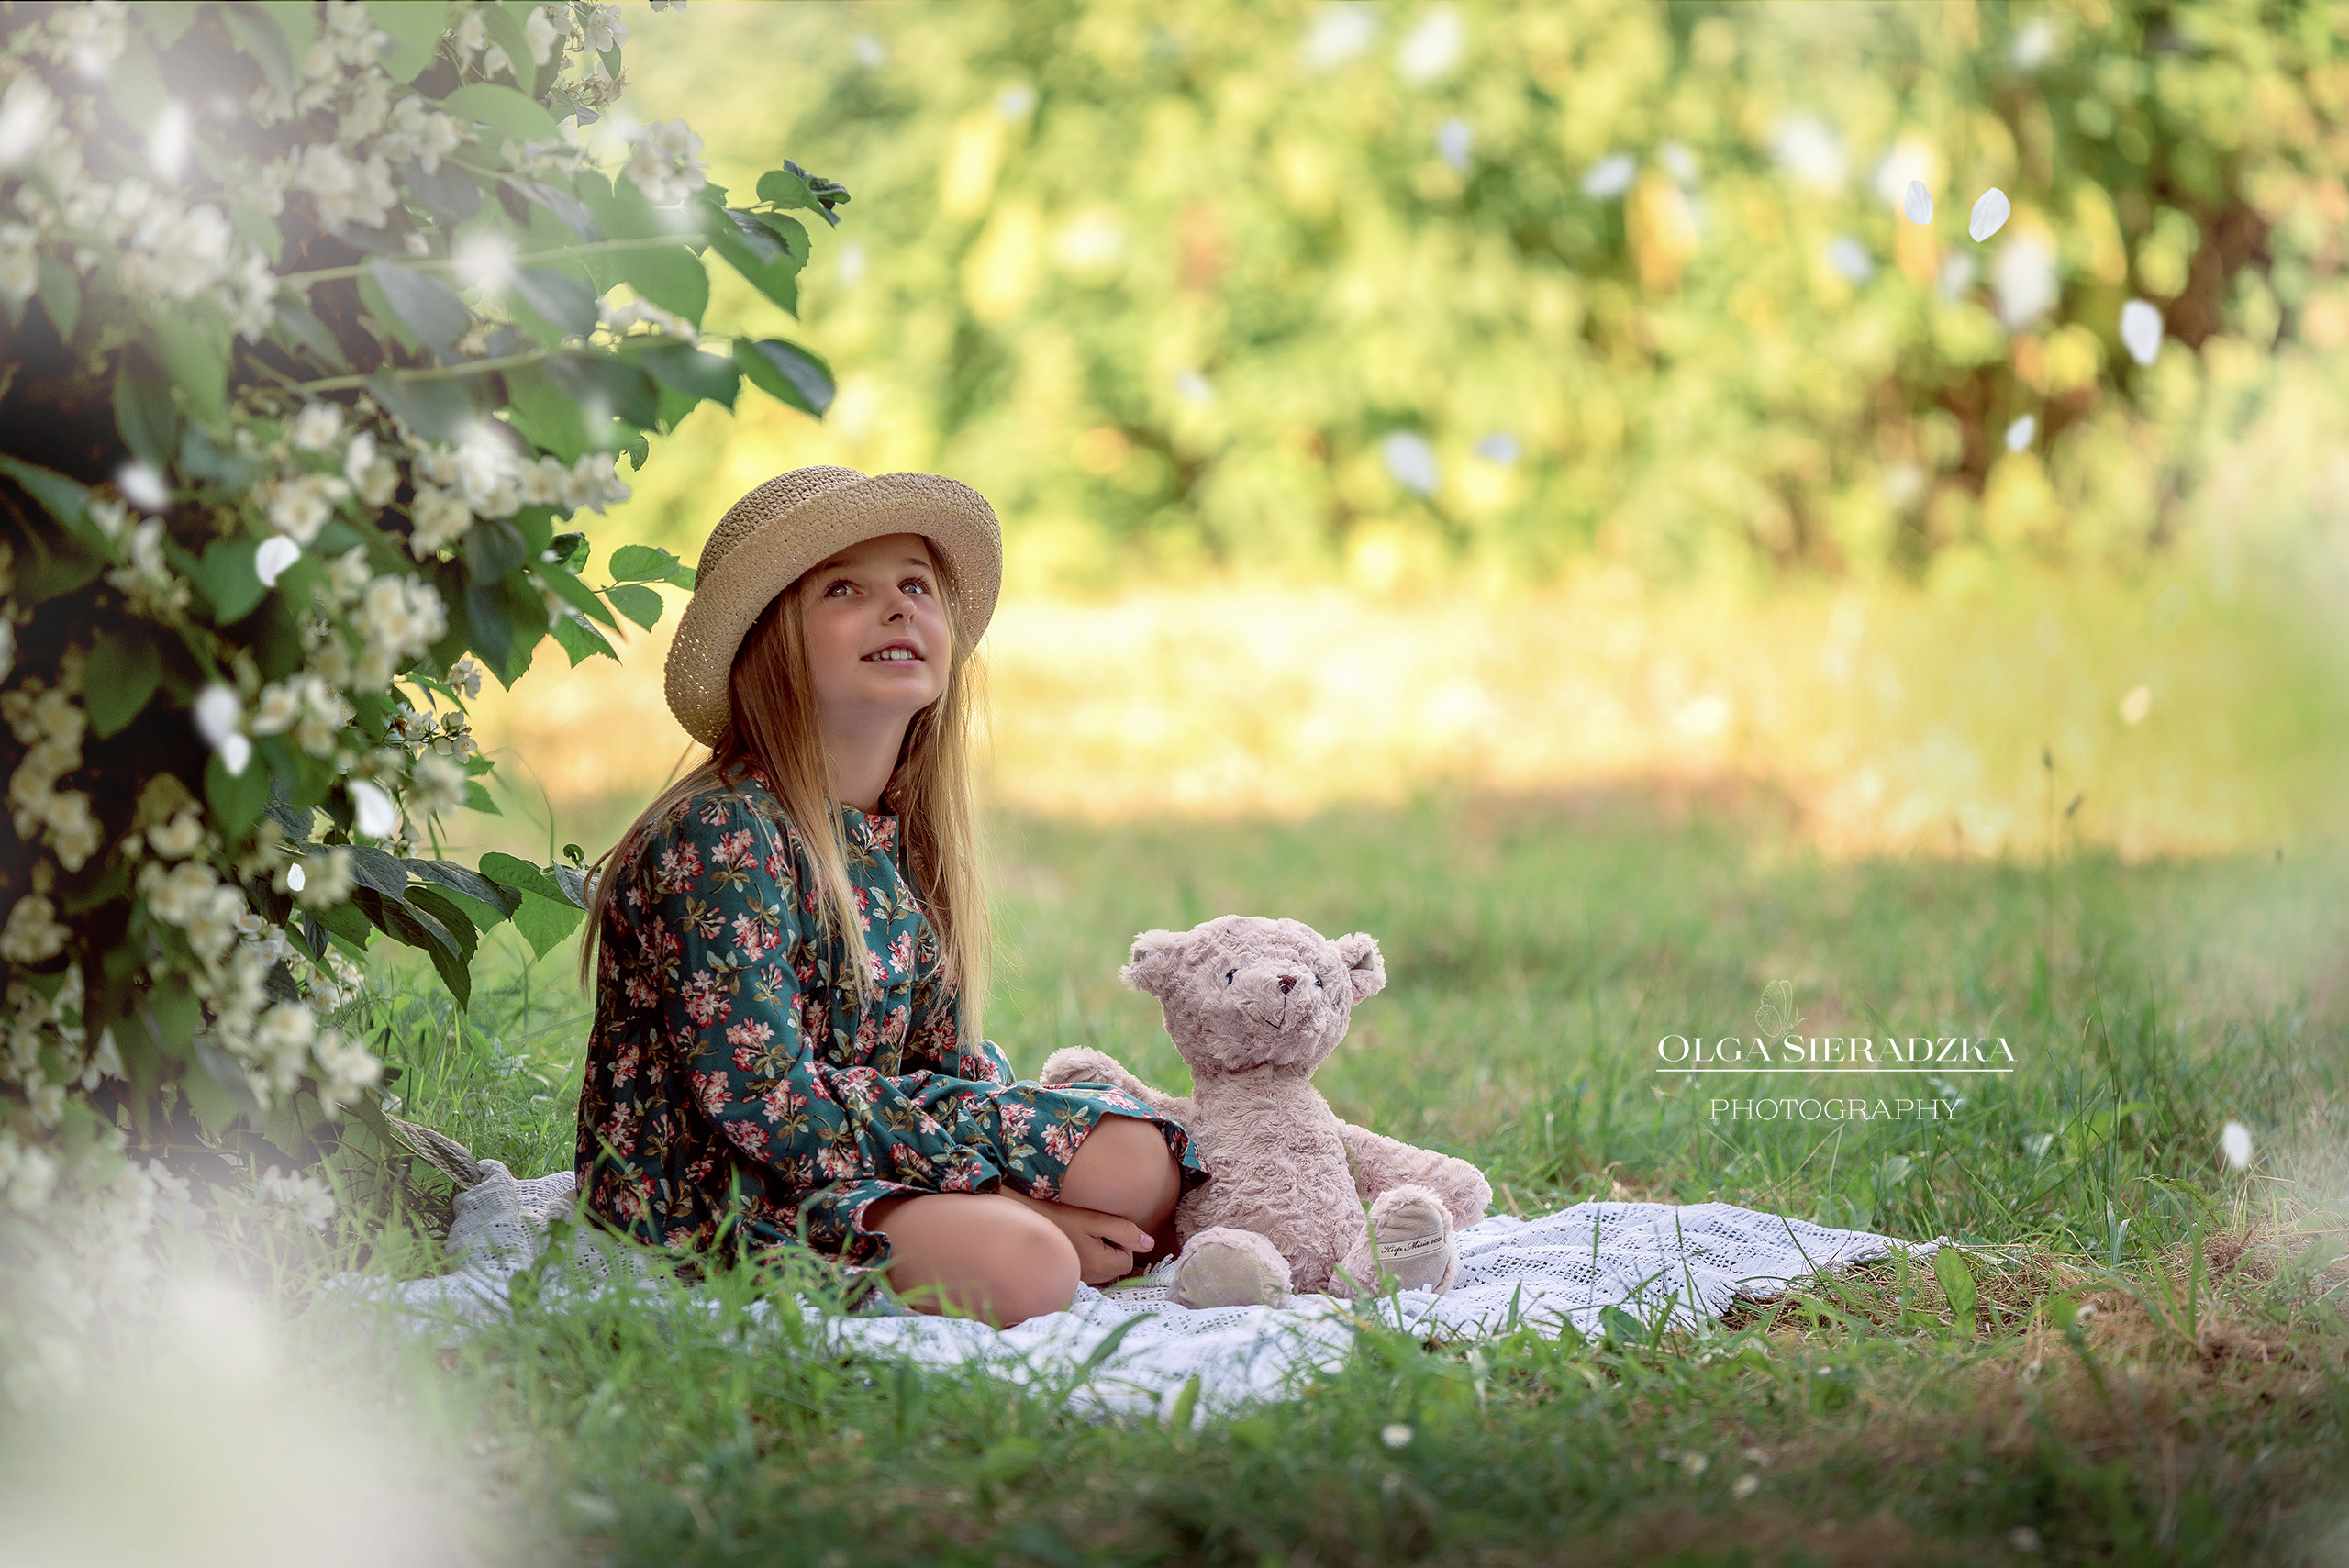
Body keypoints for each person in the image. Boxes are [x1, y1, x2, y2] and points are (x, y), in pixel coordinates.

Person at [572, 466, 1209, 1326]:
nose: (898, 608)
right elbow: (766, 1105)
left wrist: (1004, 1145)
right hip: (720, 1184)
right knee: (1030, 1265)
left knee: (1140, 1162)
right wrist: (1010, 1196)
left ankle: (993, 1227)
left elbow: (941, 1066)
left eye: (915, 584)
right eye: (844, 588)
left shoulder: (903, 835)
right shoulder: (720, 833)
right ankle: (1006, 1237)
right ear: (770, 643)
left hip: (868, 1145)